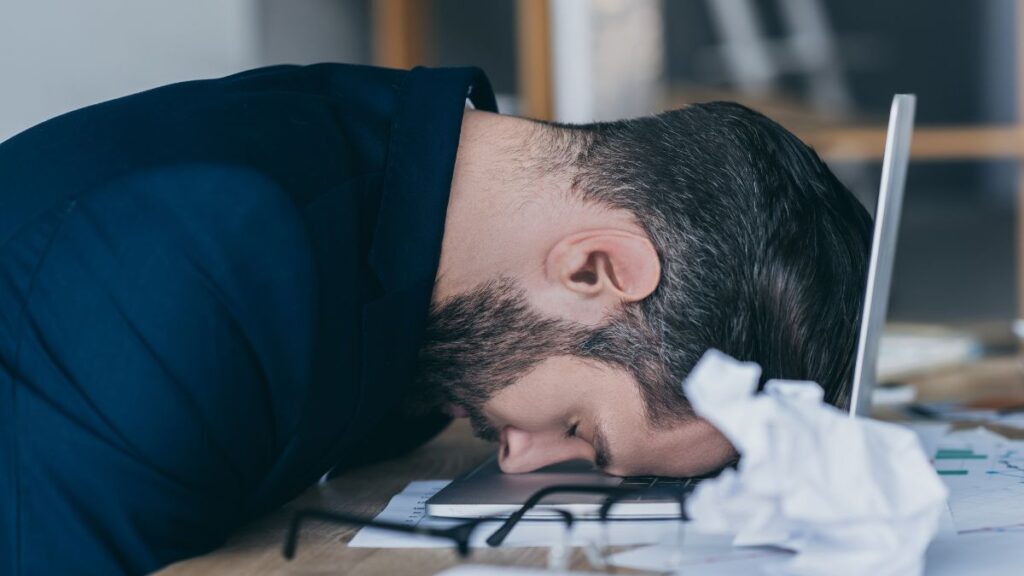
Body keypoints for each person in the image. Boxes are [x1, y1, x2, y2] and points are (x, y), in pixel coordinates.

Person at [0, 63, 871, 575]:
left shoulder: (432, 212)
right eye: (579, 426)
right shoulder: (200, 265)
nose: (521, 458)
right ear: (594, 266)